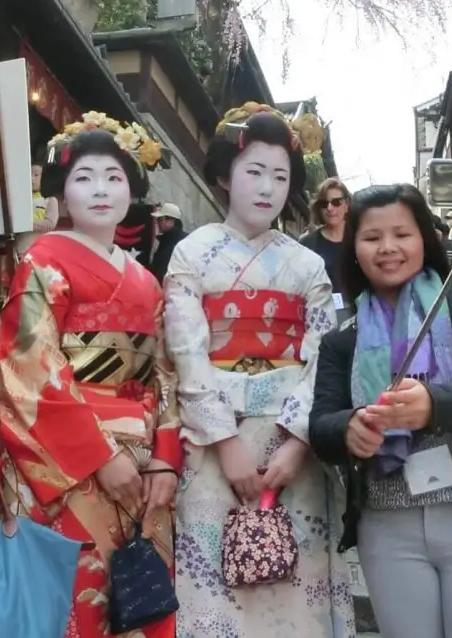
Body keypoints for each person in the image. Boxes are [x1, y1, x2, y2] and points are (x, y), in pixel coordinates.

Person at [308, 183, 452, 638]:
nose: (388, 248)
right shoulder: (342, 339)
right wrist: (349, 429)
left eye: (402, 235)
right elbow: (321, 425)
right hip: (388, 531)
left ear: (424, 240)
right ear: (353, 248)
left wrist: (433, 405)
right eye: (371, 238)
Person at [164, 103, 355, 638]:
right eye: (254, 172)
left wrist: (297, 442)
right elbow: (186, 350)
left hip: (292, 444)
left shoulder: (308, 264)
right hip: (212, 444)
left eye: (280, 176)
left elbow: (323, 353)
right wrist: (224, 441)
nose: (267, 187)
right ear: (225, 176)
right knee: (213, 586)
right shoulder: (190, 254)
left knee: (298, 587)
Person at [0, 119, 179, 638]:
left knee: (142, 598)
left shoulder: (147, 279)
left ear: (133, 191)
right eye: (84, 177)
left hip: (143, 465)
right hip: (74, 463)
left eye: (114, 177)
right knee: (74, 599)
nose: (100, 189)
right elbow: (29, 365)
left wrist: (166, 456)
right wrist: (99, 456)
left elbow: (166, 371)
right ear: (61, 191)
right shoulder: (43, 260)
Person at [300, 177, 351, 309]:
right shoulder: (308, 243)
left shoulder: (362, 237)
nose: (329, 208)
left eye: (336, 202)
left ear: (346, 205)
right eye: (324, 203)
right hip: (325, 315)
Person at [17, 161, 60, 255]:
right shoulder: (20, 200)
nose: (32, 178)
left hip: (39, 251)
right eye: (29, 174)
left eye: (36, 175)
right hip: (19, 250)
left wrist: (25, 224)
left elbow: (50, 224)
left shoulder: (50, 200)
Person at [148, 202, 187, 283]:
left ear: (171, 221)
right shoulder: (166, 239)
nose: (157, 222)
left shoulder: (179, 243)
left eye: (160, 219)